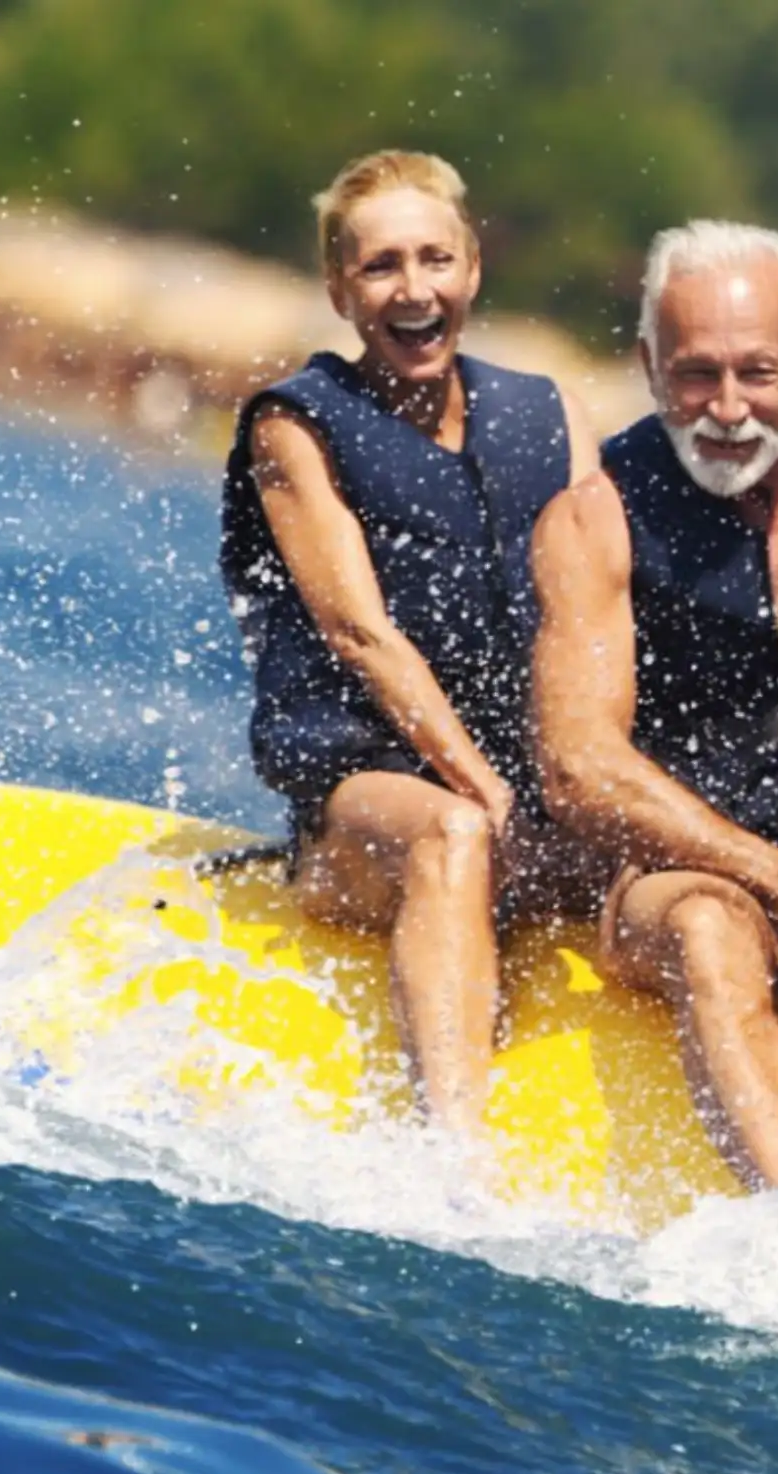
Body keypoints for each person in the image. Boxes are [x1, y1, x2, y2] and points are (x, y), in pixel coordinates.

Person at [529, 220, 778, 1206]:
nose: (730, 410)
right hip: (701, 873)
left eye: (760, 371)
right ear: (649, 365)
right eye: (697, 375)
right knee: (706, 930)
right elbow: (580, 768)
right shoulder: (598, 517)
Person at [218, 150, 601, 1131]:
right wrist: (485, 785)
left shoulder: (549, 417)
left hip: (528, 790)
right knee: (454, 833)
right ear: (341, 291)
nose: (413, 288)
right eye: (382, 266)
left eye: (435, 259)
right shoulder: (296, 426)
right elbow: (359, 631)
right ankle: (453, 1154)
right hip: (366, 802)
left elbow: (600, 620)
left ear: (472, 268)